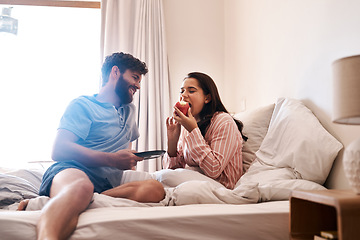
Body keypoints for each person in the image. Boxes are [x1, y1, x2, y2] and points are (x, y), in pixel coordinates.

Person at [18, 52, 165, 240]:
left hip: (104, 186)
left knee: (155, 188)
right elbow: (59, 149)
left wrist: (128, 158)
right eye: (135, 78)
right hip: (71, 170)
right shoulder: (83, 105)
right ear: (115, 72)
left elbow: (125, 150)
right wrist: (112, 159)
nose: (137, 85)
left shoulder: (130, 111)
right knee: (81, 186)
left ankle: (69, 201)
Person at [163, 72, 248, 189]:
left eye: (191, 91)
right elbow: (171, 172)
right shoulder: (188, 125)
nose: (183, 95)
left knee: (159, 181)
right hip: (196, 184)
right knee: (160, 179)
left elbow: (214, 169)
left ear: (207, 98)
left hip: (222, 188)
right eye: (182, 91)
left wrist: (193, 130)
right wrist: (172, 141)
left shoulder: (224, 121)